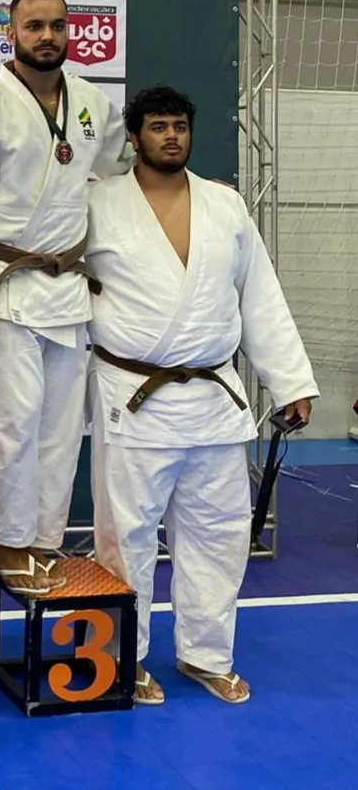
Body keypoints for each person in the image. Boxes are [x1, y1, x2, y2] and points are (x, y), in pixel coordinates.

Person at [84, 85, 317, 704]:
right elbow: (65, 289)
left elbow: (259, 294)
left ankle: (205, 654)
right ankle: (120, 657)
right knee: (125, 537)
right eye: (158, 126)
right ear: (134, 137)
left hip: (214, 396)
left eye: (180, 126)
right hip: (133, 393)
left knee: (219, 533)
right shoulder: (98, 203)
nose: (171, 136)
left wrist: (290, 380)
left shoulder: (225, 204)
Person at [0, 0, 134, 595]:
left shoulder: (93, 103)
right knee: (14, 422)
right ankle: (7, 542)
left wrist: (193, 189)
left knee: (62, 427)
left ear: (70, 31)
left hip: (68, 288)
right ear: (11, 33)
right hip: (4, 287)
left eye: (57, 26)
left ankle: (43, 540)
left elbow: (125, 174)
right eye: (34, 26)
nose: (48, 36)